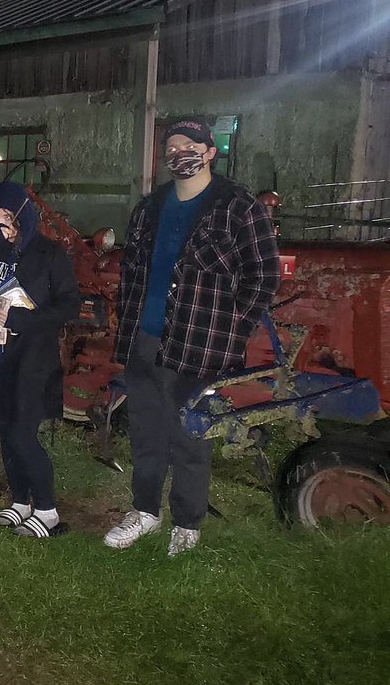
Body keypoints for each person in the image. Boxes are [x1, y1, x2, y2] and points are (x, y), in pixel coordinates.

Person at [104, 117, 279, 556]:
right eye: (172, 146)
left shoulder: (238, 207)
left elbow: (263, 275)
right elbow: (131, 271)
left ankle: (187, 523)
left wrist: (233, 329)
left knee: (189, 436)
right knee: (146, 431)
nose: (179, 152)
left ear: (209, 152)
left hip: (200, 344)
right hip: (144, 338)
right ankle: (144, 511)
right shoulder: (149, 208)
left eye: (190, 144)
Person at [0, 181, 79, 536]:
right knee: (4, 429)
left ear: (23, 218)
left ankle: (47, 510)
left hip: (32, 358)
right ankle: (19, 501)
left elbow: (69, 304)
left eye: (7, 218)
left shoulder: (47, 253)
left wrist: (25, 320)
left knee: (22, 433)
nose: (0, 225)